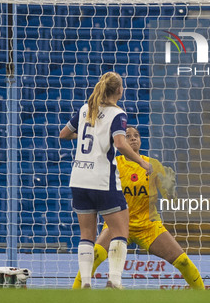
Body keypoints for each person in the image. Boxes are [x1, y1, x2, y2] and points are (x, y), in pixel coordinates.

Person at [72, 126, 205, 290]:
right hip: (118, 224)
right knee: (94, 256)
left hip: (148, 225)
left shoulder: (152, 165)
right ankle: (75, 292)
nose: (133, 138)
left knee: (183, 261)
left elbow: (172, 199)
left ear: (140, 141)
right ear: (120, 141)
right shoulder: (113, 164)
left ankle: (203, 294)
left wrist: (170, 188)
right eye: (128, 136)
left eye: (136, 135)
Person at [59, 72, 152, 289]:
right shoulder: (117, 113)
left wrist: (85, 133)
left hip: (79, 178)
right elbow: (120, 143)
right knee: (120, 231)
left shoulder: (86, 109)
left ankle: (86, 283)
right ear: (119, 90)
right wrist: (142, 163)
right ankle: (115, 280)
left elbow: (64, 134)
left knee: (86, 235)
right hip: (102, 179)